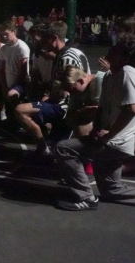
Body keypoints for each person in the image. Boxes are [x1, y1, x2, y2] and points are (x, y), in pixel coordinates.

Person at [54, 39, 135, 211]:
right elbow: (101, 109)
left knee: (64, 148)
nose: (110, 51)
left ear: (123, 56)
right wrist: (97, 129)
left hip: (115, 142)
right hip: (109, 138)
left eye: (115, 50)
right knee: (111, 190)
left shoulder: (127, 72)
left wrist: (108, 135)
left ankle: (86, 198)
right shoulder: (108, 76)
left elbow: (131, 109)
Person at [15, 21, 90, 156]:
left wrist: (47, 100)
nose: (42, 43)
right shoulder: (65, 54)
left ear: (54, 38)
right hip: (65, 103)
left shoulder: (66, 58)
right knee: (59, 152)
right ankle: (51, 143)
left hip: (66, 107)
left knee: (21, 110)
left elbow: (67, 90)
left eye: (45, 40)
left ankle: (44, 147)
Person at [0, 20, 31, 121]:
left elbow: (23, 70)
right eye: (3, 34)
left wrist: (14, 86)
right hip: (9, 82)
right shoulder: (4, 48)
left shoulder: (21, 47)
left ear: (14, 32)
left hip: (21, 82)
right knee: (9, 112)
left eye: (6, 34)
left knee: (12, 96)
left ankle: (24, 118)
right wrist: (4, 85)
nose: (4, 36)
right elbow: (1, 68)